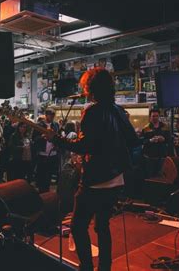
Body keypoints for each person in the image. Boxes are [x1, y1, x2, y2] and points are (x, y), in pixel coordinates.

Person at [45, 68, 138, 271]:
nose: (84, 89)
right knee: (102, 226)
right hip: (116, 179)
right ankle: (105, 268)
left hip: (96, 180)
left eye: (86, 86)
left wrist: (57, 139)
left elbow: (83, 146)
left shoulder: (92, 111)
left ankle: (86, 267)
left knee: (78, 226)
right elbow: (133, 140)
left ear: (91, 88)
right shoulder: (118, 111)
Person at [32, 108, 60, 193]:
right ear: (46, 115)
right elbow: (34, 138)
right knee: (41, 175)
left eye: (53, 115)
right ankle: (41, 192)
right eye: (50, 115)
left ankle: (46, 192)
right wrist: (42, 137)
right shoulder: (39, 125)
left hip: (52, 154)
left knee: (49, 176)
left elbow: (57, 137)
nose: (51, 117)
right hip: (42, 154)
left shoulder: (56, 125)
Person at [141, 109, 174, 177]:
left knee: (161, 176)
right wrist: (150, 140)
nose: (155, 118)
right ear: (150, 117)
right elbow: (142, 141)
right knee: (150, 176)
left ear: (159, 116)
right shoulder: (146, 128)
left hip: (162, 156)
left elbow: (170, 140)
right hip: (150, 157)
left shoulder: (165, 127)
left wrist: (164, 139)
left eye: (156, 116)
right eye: (153, 116)